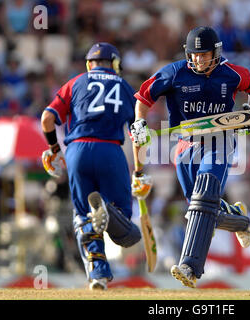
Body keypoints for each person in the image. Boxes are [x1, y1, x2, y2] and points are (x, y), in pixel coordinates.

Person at [130, 26, 250, 288]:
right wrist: (139, 122)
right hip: (186, 144)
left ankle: (189, 267)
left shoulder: (231, 72)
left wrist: (249, 113)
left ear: (215, 52)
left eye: (205, 55)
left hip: (220, 139)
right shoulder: (174, 72)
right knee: (200, 209)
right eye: (195, 55)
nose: (200, 60)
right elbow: (143, 98)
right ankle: (239, 219)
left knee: (203, 199)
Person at [41, 42, 142, 290]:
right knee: (128, 233)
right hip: (110, 150)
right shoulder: (125, 87)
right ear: (115, 65)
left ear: (89, 64)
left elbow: (47, 119)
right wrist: (140, 171)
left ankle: (97, 274)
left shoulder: (75, 83)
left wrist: (55, 149)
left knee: (83, 217)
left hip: (77, 152)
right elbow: (138, 133)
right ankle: (106, 209)